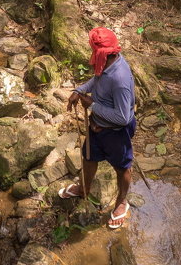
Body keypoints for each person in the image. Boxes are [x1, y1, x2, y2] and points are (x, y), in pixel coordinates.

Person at [58, 27, 136, 230]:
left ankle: (121, 201)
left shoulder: (120, 80)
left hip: (116, 133)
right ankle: (83, 188)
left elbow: (123, 117)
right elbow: (97, 78)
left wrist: (91, 105)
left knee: (122, 167)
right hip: (97, 126)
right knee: (89, 157)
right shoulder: (107, 62)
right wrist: (80, 90)